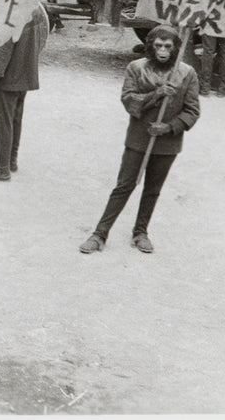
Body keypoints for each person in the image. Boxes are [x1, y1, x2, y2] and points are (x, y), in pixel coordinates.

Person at [79, 25, 201, 255]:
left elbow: (193, 111)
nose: (163, 50)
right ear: (150, 47)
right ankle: (99, 233)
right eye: (158, 46)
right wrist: (156, 94)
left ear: (175, 48)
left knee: (152, 189)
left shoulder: (186, 73)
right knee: (124, 185)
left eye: (168, 46)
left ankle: (141, 232)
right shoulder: (135, 68)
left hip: (167, 144)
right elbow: (128, 99)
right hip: (138, 139)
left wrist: (169, 127)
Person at [0, 3, 50, 181]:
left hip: (9, 76)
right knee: (15, 119)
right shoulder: (34, 7)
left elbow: (2, 51)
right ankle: (10, 160)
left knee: (2, 122)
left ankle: (1, 169)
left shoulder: (13, 10)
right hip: (25, 74)